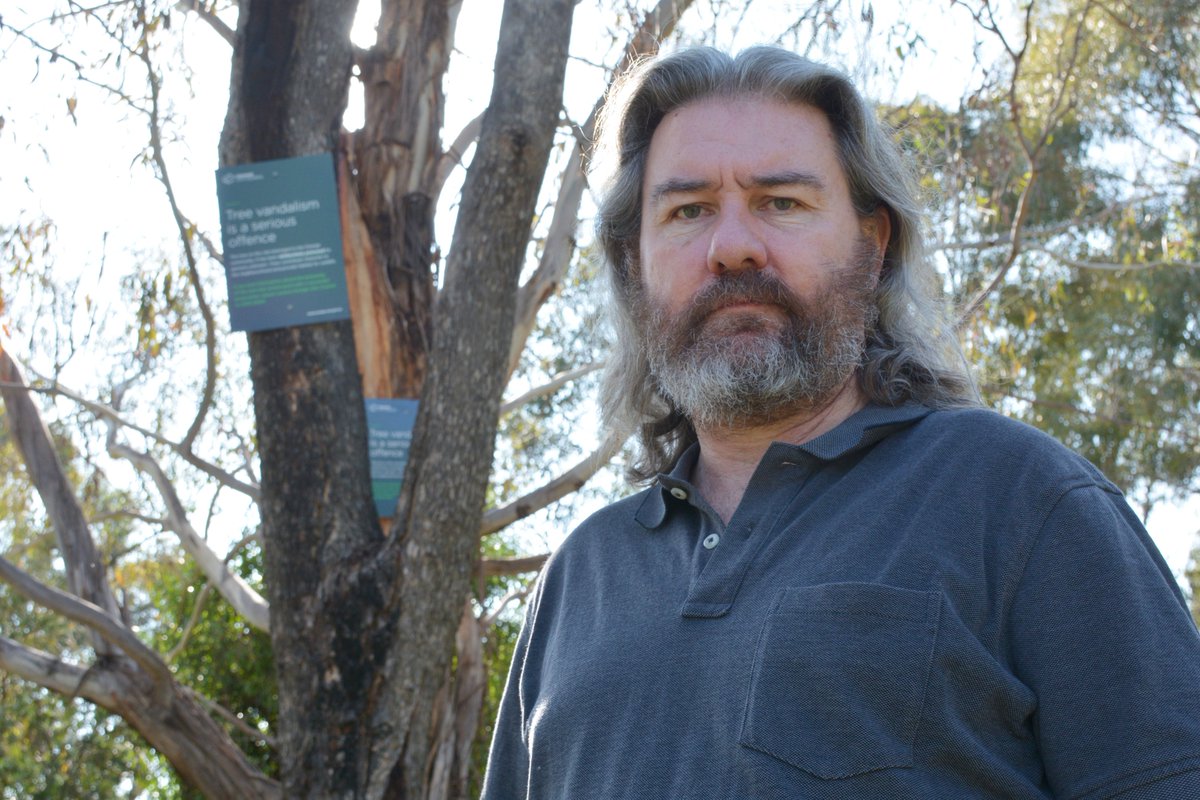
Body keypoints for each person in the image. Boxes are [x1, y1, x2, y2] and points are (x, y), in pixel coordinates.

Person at [480, 46, 1200, 799]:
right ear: (635, 265)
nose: (732, 248)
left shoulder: (1024, 503)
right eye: (688, 211)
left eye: (781, 202)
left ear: (874, 243)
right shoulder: (579, 577)